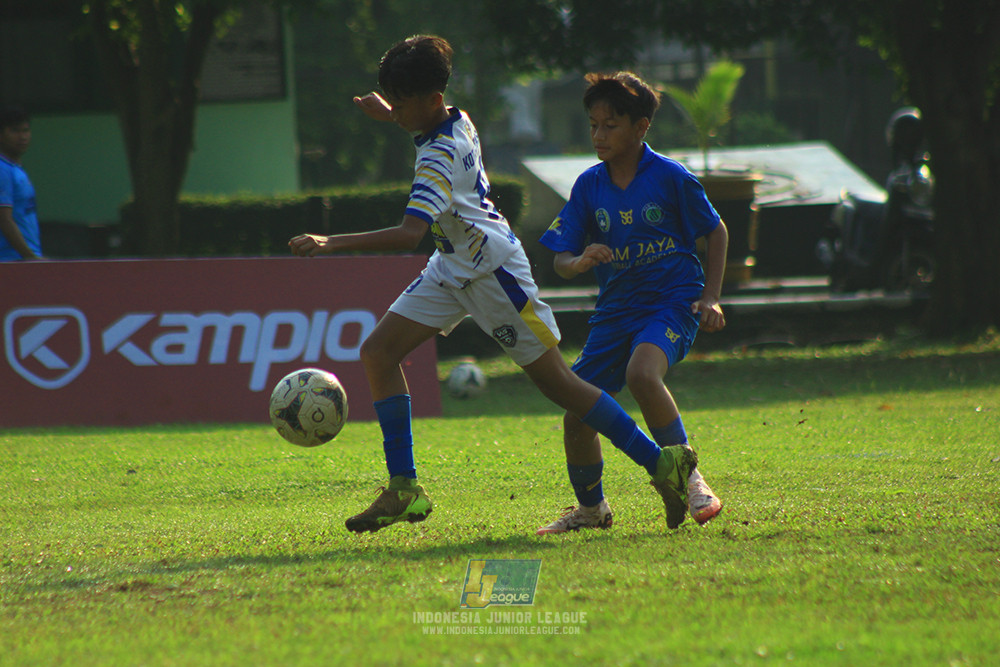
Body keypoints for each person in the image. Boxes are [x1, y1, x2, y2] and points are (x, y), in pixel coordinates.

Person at [289, 36, 694, 534]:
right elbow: (425, 138)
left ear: (432, 100)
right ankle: (404, 489)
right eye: (390, 98)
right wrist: (393, 113)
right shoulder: (456, 117)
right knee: (378, 352)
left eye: (401, 101)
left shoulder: (439, 155)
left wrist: (331, 242)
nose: (394, 108)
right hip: (451, 266)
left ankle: (662, 465)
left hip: (493, 275)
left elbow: (409, 233)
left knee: (561, 386)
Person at [535, 72, 727, 534]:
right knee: (577, 413)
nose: (599, 135)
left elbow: (715, 231)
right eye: (593, 125)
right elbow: (559, 258)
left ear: (641, 127)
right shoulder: (589, 186)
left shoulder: (670, 177)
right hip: (615, 311)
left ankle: (690, 477)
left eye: (611, 125)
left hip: (673, 302)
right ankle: (590, 509)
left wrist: (712, 297)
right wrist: (578, 261)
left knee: (642, 373)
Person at [0, 105, 42, 261]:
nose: (22, 137)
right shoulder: (2, 170)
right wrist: (30, 258)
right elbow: (4, 219)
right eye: (15, 131)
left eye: (25, 131)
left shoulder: (15, 169)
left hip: (24, 260)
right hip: (11, 262)